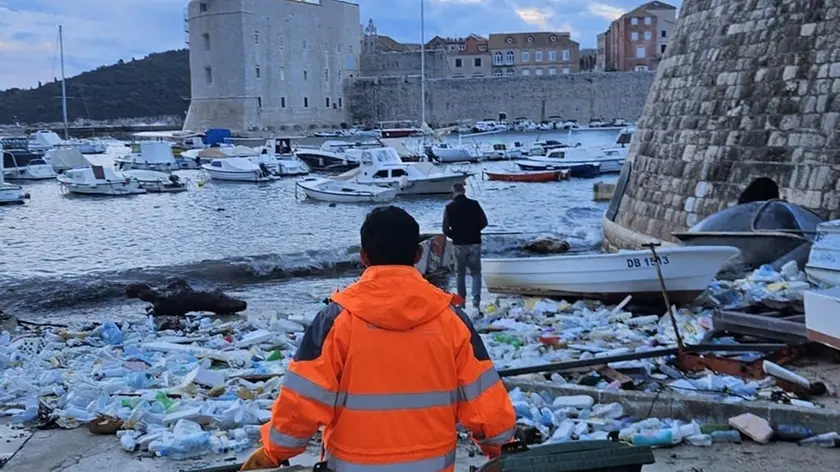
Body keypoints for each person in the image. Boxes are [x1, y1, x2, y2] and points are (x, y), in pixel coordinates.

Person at [241, 206, 516, 471]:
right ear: (418, 254)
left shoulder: (337, 320)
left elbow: (300, 405)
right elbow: (487, 408)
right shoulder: (452, 320)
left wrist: (273, 452)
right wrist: (501, 449)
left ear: (363, 256)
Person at [442, 183, 488, 310]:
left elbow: (445, 228)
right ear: (464, 191)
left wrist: (454, 236)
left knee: (460, 274)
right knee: (476, 273)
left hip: (459, 244)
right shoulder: (474, 204)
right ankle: (476, 301)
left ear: (454, 192)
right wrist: (475, 231)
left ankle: (461, 302)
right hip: (475, 242)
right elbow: (484, 222)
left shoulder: (449, 207)